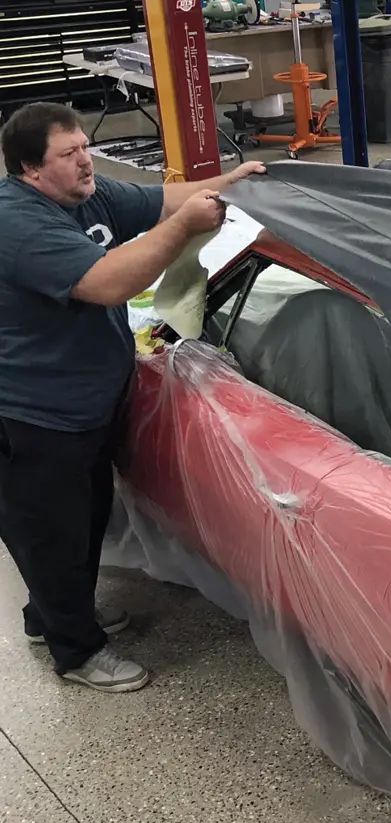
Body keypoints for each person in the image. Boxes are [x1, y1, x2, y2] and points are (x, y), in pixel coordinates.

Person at [0, 102, 265, 693]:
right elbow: (112, 282)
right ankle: (77, 652)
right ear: (29, 170)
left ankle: (52, 616)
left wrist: (231, 184)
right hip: (35, 414)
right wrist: (184, 229)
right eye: (68, 156)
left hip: (87, 404)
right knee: (50, 531)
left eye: (83, 148)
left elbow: (166, 199)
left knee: (85, 518)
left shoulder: (85, 196)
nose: (85, 162)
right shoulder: (18, 223)